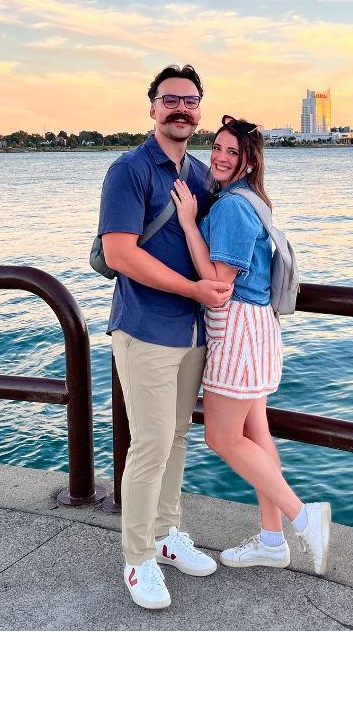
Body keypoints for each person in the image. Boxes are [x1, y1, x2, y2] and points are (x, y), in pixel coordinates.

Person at [98, 64, 235, 610]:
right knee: (150, 445)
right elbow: (119, 253)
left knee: (177, 437)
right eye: (170, 99)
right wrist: (195, 290)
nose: (181, 108)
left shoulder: (202, 175)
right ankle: (137, 559)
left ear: (199, 110)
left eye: (191, 100)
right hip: (147, 329)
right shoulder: (129, 171)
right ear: (152, 107)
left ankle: (164, 533)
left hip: (192, 332)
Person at [171, 115, 332, 576]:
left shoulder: (231, 209)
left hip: (236, 328)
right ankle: (271, 540)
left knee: (221, 438)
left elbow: (218, 283)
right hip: (257, 328)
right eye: (217, 148)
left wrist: (186, 222)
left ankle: (304, 518)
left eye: (232, 152)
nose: (220, 157)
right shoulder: (251, 202)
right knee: (256, 435)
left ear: (247, 162)